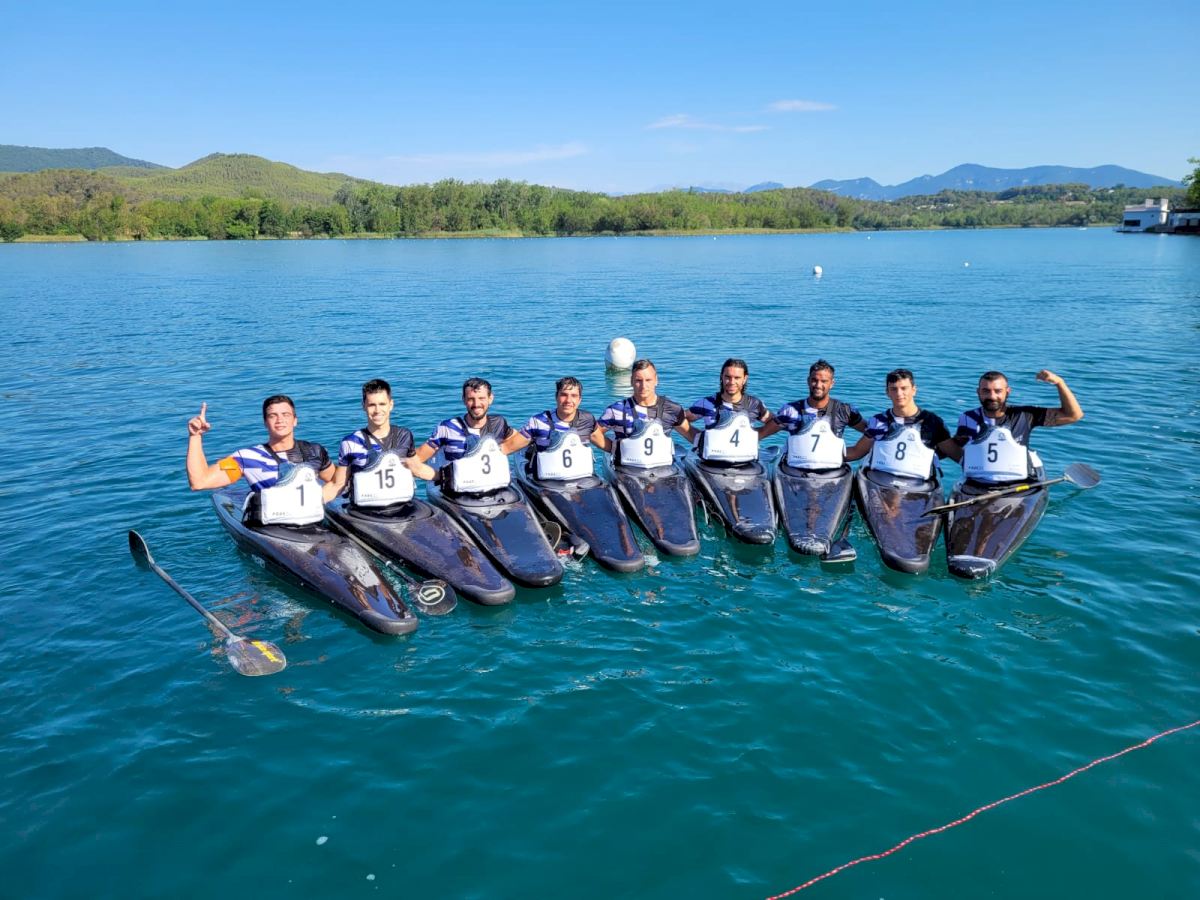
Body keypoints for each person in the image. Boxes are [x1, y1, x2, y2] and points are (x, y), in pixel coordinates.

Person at [185, 395, 339, 519]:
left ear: (295, 420)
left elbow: (337, 482)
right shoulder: (248, 458)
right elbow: (200, 482)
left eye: (286, 414)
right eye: (273, 416)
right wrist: (195, 436)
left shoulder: (314, 451)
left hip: (313, 523)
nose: (280, 420)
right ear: (265, 422)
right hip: (274, 528)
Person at [952, 369, 1083, 483]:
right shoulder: (967, 418)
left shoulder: (1025, 415)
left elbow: (1073, 415)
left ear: (1007, 392)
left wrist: (1059, 383)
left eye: (998, 391)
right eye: (986, 391)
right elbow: (958, 447)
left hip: (1018, 482)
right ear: (978, 392)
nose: (992, 396)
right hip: (978, 482)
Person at [330, 378, 435, 499]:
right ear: (363, 406)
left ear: (391, 405)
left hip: (402, 504)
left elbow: (417, 468)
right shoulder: (351, 442)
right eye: (372, 405)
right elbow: (338, 484)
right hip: (365, 506)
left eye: (382, 404)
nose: (377, 410)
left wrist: (444, 476)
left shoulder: (404, 435)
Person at [845, 369, 961, 476]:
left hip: (918, 483)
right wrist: (833, 456)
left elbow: (957, 455)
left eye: (904, 388)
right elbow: (857, 452)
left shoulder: (933, 422)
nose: (899, 393)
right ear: (887, 392)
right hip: (882, 481)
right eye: (893, 389)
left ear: (914, 390)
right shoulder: (879, 421)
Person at [414, 377, 516, 486]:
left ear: (490, 398)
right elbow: (416, 459)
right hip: (458, 489)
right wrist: (440, 476)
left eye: (481, 398)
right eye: (471, 399)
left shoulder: (498, 423)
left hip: (491, 485)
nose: (476, 404)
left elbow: (518, 440)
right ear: (463, 400)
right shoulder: (448, 428)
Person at [764, 359, 867, 465]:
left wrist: (845, 454)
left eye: (824, 381)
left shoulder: (845, 411)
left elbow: (870, 433)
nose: (818, 385)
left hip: (832, 469)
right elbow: (765, 431)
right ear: (808, 381)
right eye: (814, 380)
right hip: (795, 468)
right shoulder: (791, 410)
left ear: (832, 383)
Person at [503, 376, 610, 475]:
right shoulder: (539, 422)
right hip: (547, 480)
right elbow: (507, 448)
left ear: (579, 400)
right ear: (556, 397)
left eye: (574, 396)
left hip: (581, 478)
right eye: (564, 395)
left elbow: (605, 444)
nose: (568, 400)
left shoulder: (588, 420)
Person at [598, 359, 694, 465]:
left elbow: (690, 433)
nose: (643, 386)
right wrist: (615, 449)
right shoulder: (616, 410)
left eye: (648, 380)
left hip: (663, 468)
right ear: (631, 381)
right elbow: (594, 433)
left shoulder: (673, 409)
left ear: (656, 380)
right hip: (628, 468)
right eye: (638, 380)